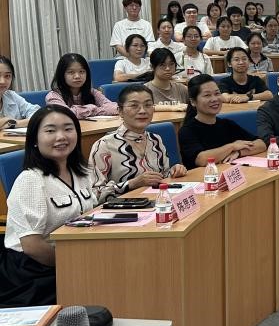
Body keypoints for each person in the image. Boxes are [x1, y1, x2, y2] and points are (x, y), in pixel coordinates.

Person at [1, 106, 96, 305]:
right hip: (34, 272)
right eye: (50, 131)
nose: (61, 137)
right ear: (35, 140)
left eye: (68, 129)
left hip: (77, 256)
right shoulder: (31, 180)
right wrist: (75, 265)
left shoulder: (82, 172)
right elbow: (32, 246)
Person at [88, 84, 188, 201]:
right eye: (134, 106)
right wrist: (132, 184)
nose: (142, 111)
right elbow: (94, 194)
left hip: (157, 202)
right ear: (120, 111)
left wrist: (174, 171)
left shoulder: (155, 140)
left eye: (148, 105)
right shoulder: (105, 145)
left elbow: (163, 177)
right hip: (125, 208)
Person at [178, 74, 266, 168]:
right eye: (207, 95)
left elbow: (261, 144)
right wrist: (232, 146)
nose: (214, 99)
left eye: (217, 93)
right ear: (193, 102)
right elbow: (202, 159)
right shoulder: (187, 130)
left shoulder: (227, 124)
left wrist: (238, 152)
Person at [47, 54, 119, 118]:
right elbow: (64, 115)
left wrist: (89, 111)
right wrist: (91, 109)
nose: (77, 76)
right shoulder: (53, 96)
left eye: (81, 71)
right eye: (71, 72)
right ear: (62, 75)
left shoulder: (92, 92)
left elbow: (115, 108)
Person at [0, 55, 40, 123]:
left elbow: (37, 113)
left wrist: (16, 123)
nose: (2, 81)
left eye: (7, 76)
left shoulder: (11, 96)